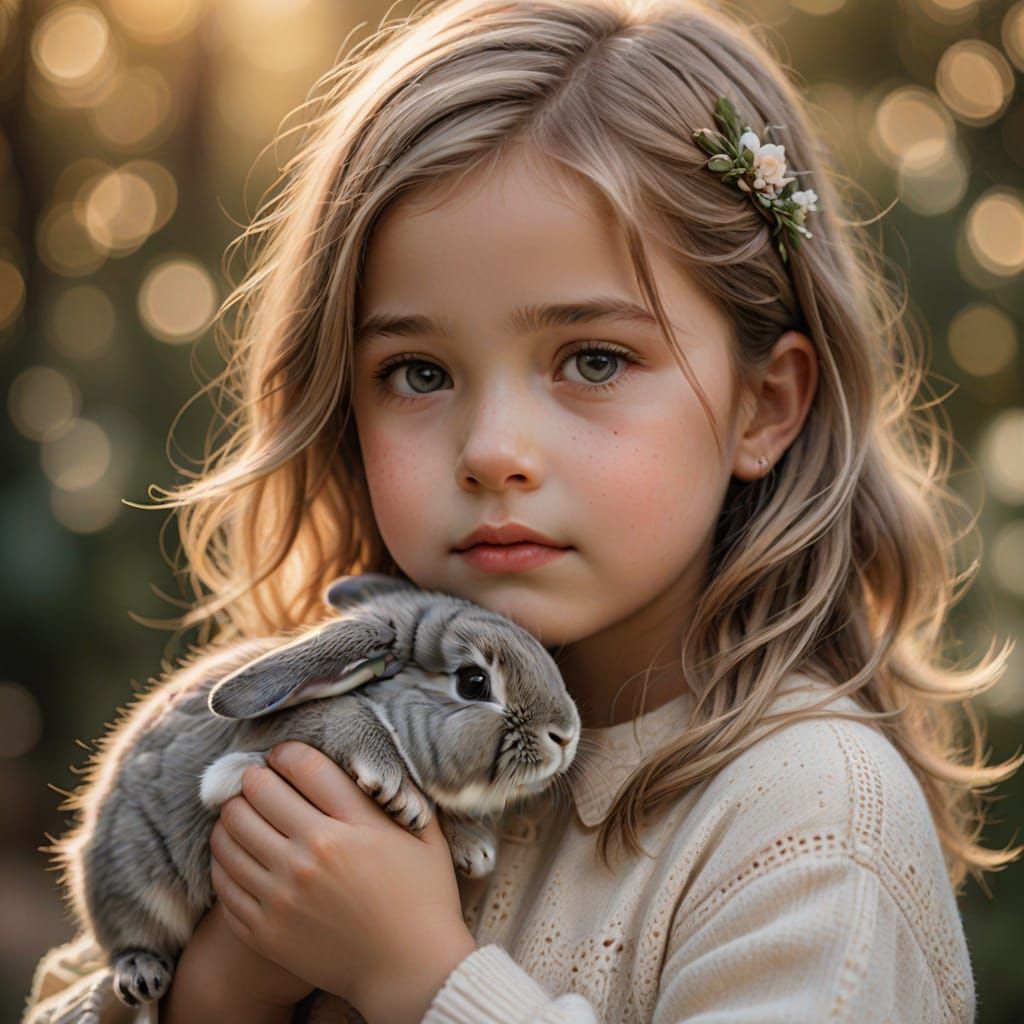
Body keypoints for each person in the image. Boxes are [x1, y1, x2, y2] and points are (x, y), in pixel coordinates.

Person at [24, 0, 1022, 1021]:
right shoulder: (323, 731)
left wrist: (417, 976)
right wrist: (226, 985)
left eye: (593, 359)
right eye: (418, 372)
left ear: (762, 406)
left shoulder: (813, 815)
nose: (492, 450)